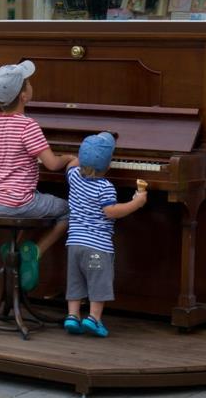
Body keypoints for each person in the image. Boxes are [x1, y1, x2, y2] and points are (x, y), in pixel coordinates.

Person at [0, 60, 74, 267]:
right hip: (17, 203)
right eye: (28, 83)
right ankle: (35, 252)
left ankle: (14, 254)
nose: (30, 85)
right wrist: (70, 158)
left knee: (35, 200)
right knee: (68, 210)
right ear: (24, 96)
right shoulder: (28, 125)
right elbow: (53, 165)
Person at [63, 132, 147, 337]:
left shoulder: (73, 177)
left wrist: (76, 157)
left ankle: (72, 316)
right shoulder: (106, 187)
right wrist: (137, 202)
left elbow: (70, 166)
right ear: (108, 166)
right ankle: (94, 319)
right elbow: (111, 212)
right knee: (97, 283)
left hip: (74, 244)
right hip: (97, 247)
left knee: (75, 282)